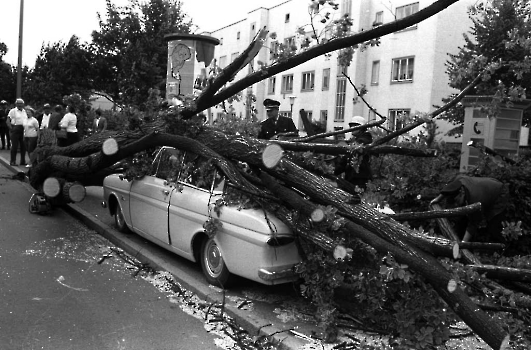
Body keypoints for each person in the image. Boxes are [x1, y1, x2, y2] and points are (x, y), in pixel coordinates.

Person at [430, 174, 509, 242]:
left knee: (493, 226)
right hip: (483, 186)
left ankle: (502, 248)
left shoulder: (476, 201)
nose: (456, 204)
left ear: (462, 192)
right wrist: (438, 199)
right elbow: (448, 189)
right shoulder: (457, 181)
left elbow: (473, 223)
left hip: (498, 192)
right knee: (461, 219)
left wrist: (463, 244)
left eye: (456, 201)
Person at [334, 116, 373, 191]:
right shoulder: (353, 141)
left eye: (355, 125)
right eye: (351, 126)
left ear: (361, 127)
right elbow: (345, 159)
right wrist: (333, 171)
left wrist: (351, 145)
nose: (352, 128)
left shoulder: (366, 137)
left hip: (361, 178)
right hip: (350, 178)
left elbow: (361, 143)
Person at [7, 98, 28, 166]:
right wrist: (11, 129)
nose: (20, 105)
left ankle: (22, 161)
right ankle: (12, 161)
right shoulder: (12, 111)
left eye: (21, 103)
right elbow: (8, 121)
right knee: (14, 146)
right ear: (16, 104)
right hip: (15, 128)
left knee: (23, 146)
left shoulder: (25, 111)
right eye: (18, 103)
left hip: (23, 129)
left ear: (23, 104)